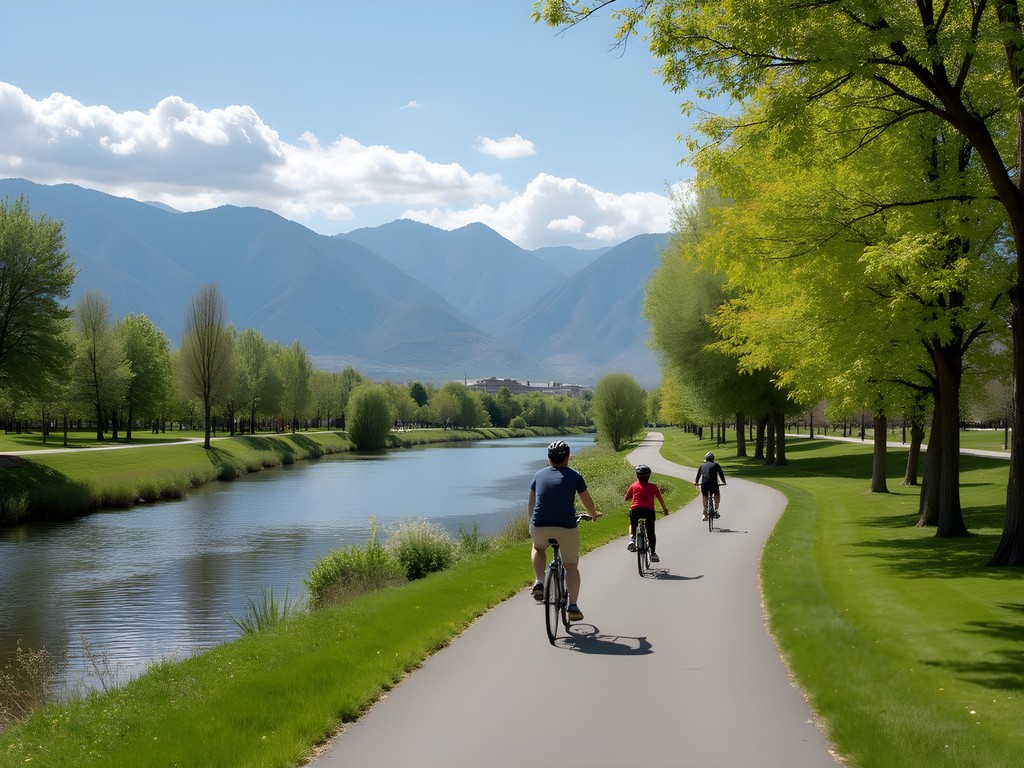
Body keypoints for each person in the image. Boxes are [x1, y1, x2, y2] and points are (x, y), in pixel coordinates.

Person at [528, 439, 600, 621]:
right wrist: (593, 515)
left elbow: (532, 504)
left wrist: (533, 524)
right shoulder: (575, 475)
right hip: (565, 526)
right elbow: (587, 501)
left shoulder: (538, 475)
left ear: (548, 458)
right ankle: (573, 606)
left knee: (537, 548)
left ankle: (539, 581)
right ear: (567, 458)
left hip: (540, 525)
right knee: (571, 567)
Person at [624, 464, 669, 562]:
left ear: (637, 476)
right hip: (649, 511)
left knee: (633, 524)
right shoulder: (654, 487)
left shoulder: (634, 485)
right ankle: (653, 553)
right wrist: (665, 510)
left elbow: (626, 498)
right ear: (649, 476)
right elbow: (660, 499)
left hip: (635, 510)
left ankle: (632, 539)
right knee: (651, 532)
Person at [695, 451, 726, 520]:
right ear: (713, 459)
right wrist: (724, 482)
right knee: (717, 493)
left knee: (705, 495)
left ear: (705, 459)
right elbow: (721, 474)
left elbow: (698, 476)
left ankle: (705, 511)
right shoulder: (716, 465)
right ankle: (716, 510)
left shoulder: (702, 465)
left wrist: (696, 482)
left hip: (704, 483)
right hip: (713, 483)